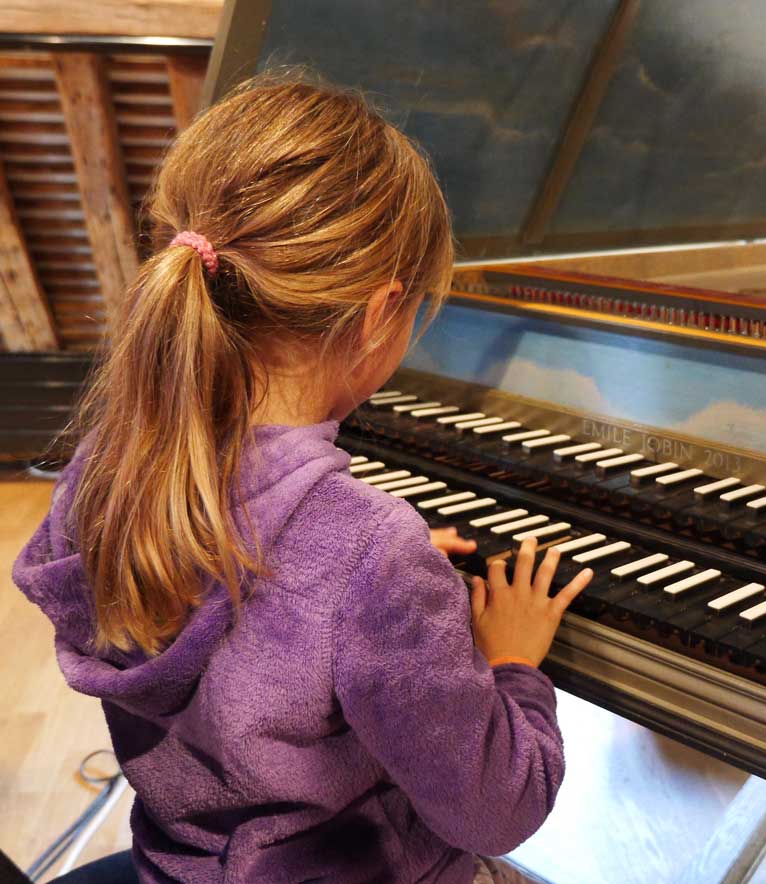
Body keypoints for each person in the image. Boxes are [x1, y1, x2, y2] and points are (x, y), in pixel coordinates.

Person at [13, 71, 592, 883]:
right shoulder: (367, 552)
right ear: (379, 312)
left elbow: (259, 595)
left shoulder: (103, 469)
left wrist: (353, 588)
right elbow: (496, 812)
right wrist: (511, 667)